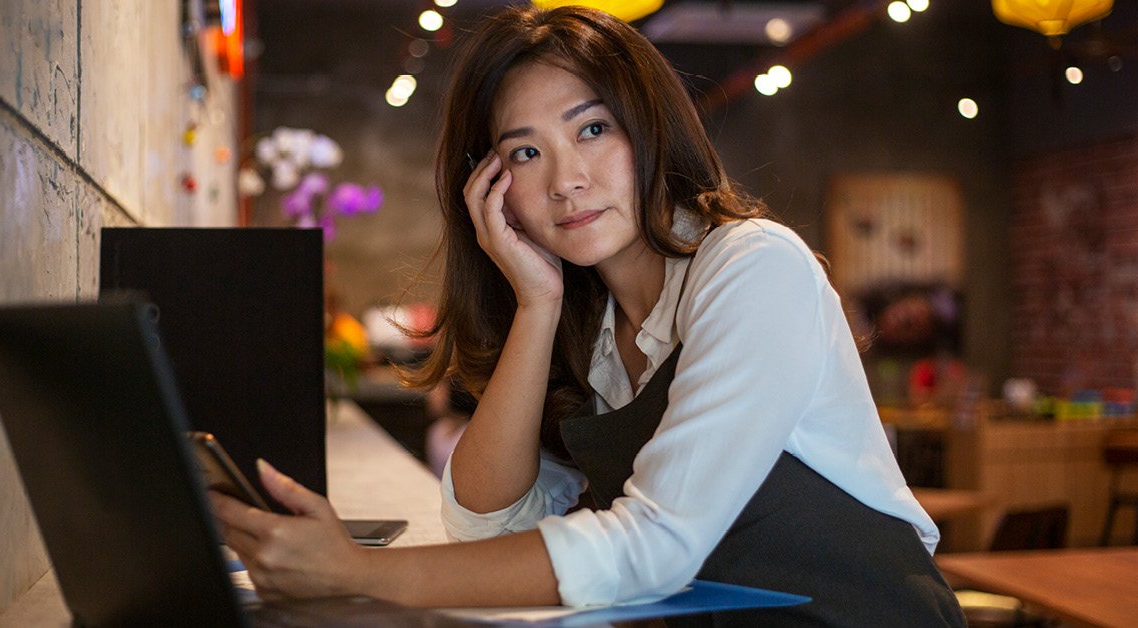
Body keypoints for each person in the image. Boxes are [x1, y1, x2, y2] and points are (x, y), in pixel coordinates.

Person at [209, 5, 966, 624]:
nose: (567, 180)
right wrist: (536, 304)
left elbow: (657, 545)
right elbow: (485, 522)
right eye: (526, 154)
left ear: (650, 129)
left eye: (592, 129)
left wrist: (358, 574)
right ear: (492, 185)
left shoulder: (754, 267)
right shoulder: (592, 331)